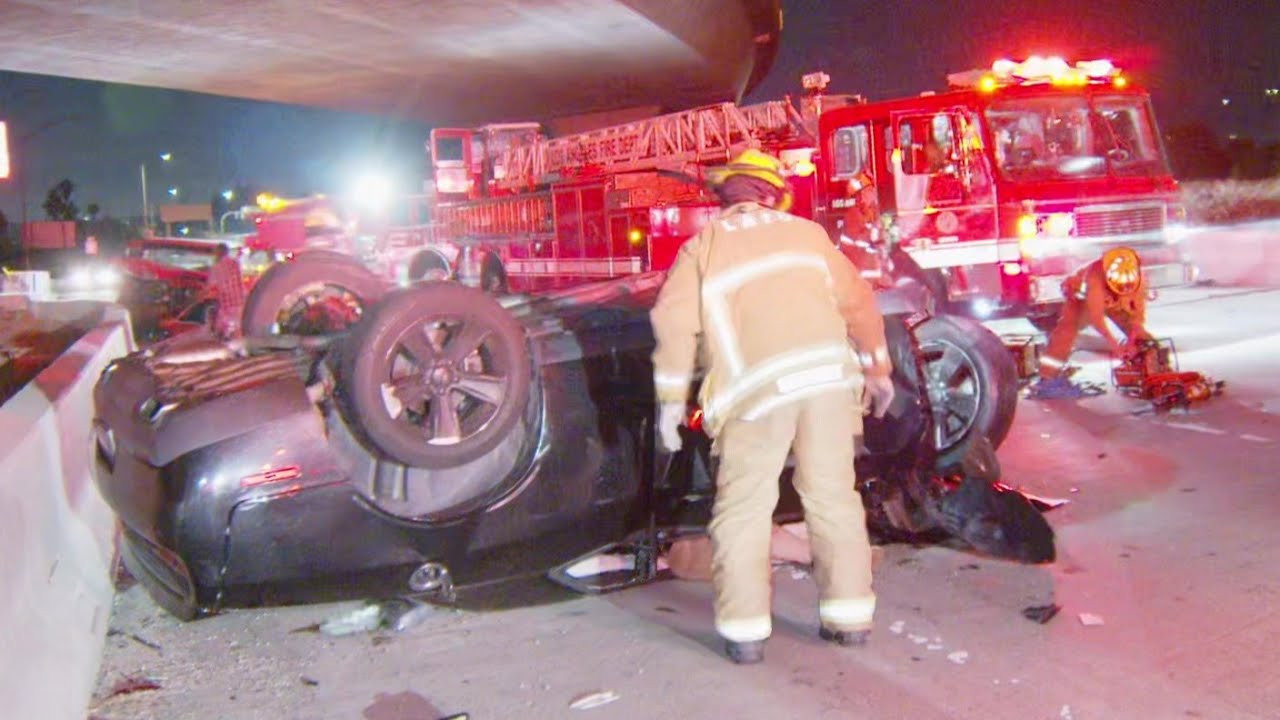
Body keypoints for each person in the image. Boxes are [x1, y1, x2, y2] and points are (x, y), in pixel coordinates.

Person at [649, 148, 895, 664]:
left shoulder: (704, 247)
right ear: (774, 194)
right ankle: (849, 619)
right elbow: (861, 306)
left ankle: (745, 634)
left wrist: (671, 404)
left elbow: (674, 327)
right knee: (832, 499)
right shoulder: (809, 236)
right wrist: (878, 370)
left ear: (725, 198)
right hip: (828, 387)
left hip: (754, 396)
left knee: (744, 509)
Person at [1037, 246, 1152, 381]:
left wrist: (1132, 341)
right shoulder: (1095, 277)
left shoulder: (1137, 281)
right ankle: (1048, 375)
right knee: (1066, 331)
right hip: (1082, 300)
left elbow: (1136, 318)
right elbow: (1097, 318)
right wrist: (1116, 346)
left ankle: (1153, 369)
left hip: (1116, 301)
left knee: (1142, 337)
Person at [202, 243, 246, 340]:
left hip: (227, 303)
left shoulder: (217, 268)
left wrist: (200, 294)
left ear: (218, 253)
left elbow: (210, 285)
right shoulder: (236, 263)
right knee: (238, 327)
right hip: (240, 301)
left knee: (222, 327)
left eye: (215, 253)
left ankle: (223, 343)